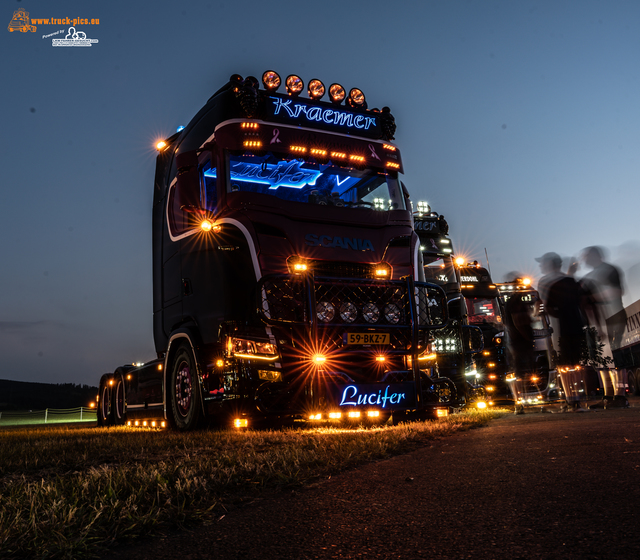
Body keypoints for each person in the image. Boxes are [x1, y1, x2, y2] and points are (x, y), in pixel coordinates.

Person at [536, 252, 586, 410]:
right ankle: (576, 399)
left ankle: (570, 399)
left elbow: (543, 306)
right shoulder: (570, 280)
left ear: (550, 264)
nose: (540, 266)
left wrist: (539, 313)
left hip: (557, 326)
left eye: (542, 263)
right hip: (577, 323)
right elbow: (581, 301)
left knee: (562, 363)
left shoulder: (544, 281)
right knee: (576, 362)